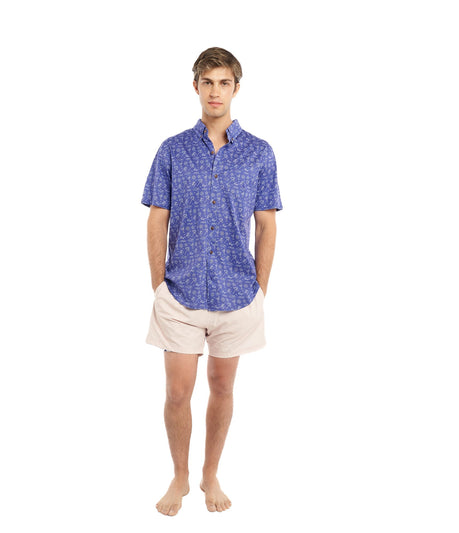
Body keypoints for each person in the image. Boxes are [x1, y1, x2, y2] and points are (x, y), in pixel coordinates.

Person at [141, 47, 283, 516]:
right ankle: (180, 476)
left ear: (236, 88)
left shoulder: (259, 153)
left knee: (223, 387)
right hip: (180, 293)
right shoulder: (172, 150)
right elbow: (157, 218)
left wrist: (260, 288)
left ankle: (210, 474)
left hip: (236, 293)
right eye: (208, 82)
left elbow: (266, 224)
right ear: (196, 87)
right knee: (177, 392)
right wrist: (159, 284)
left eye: (224, 83)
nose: (215, 91)